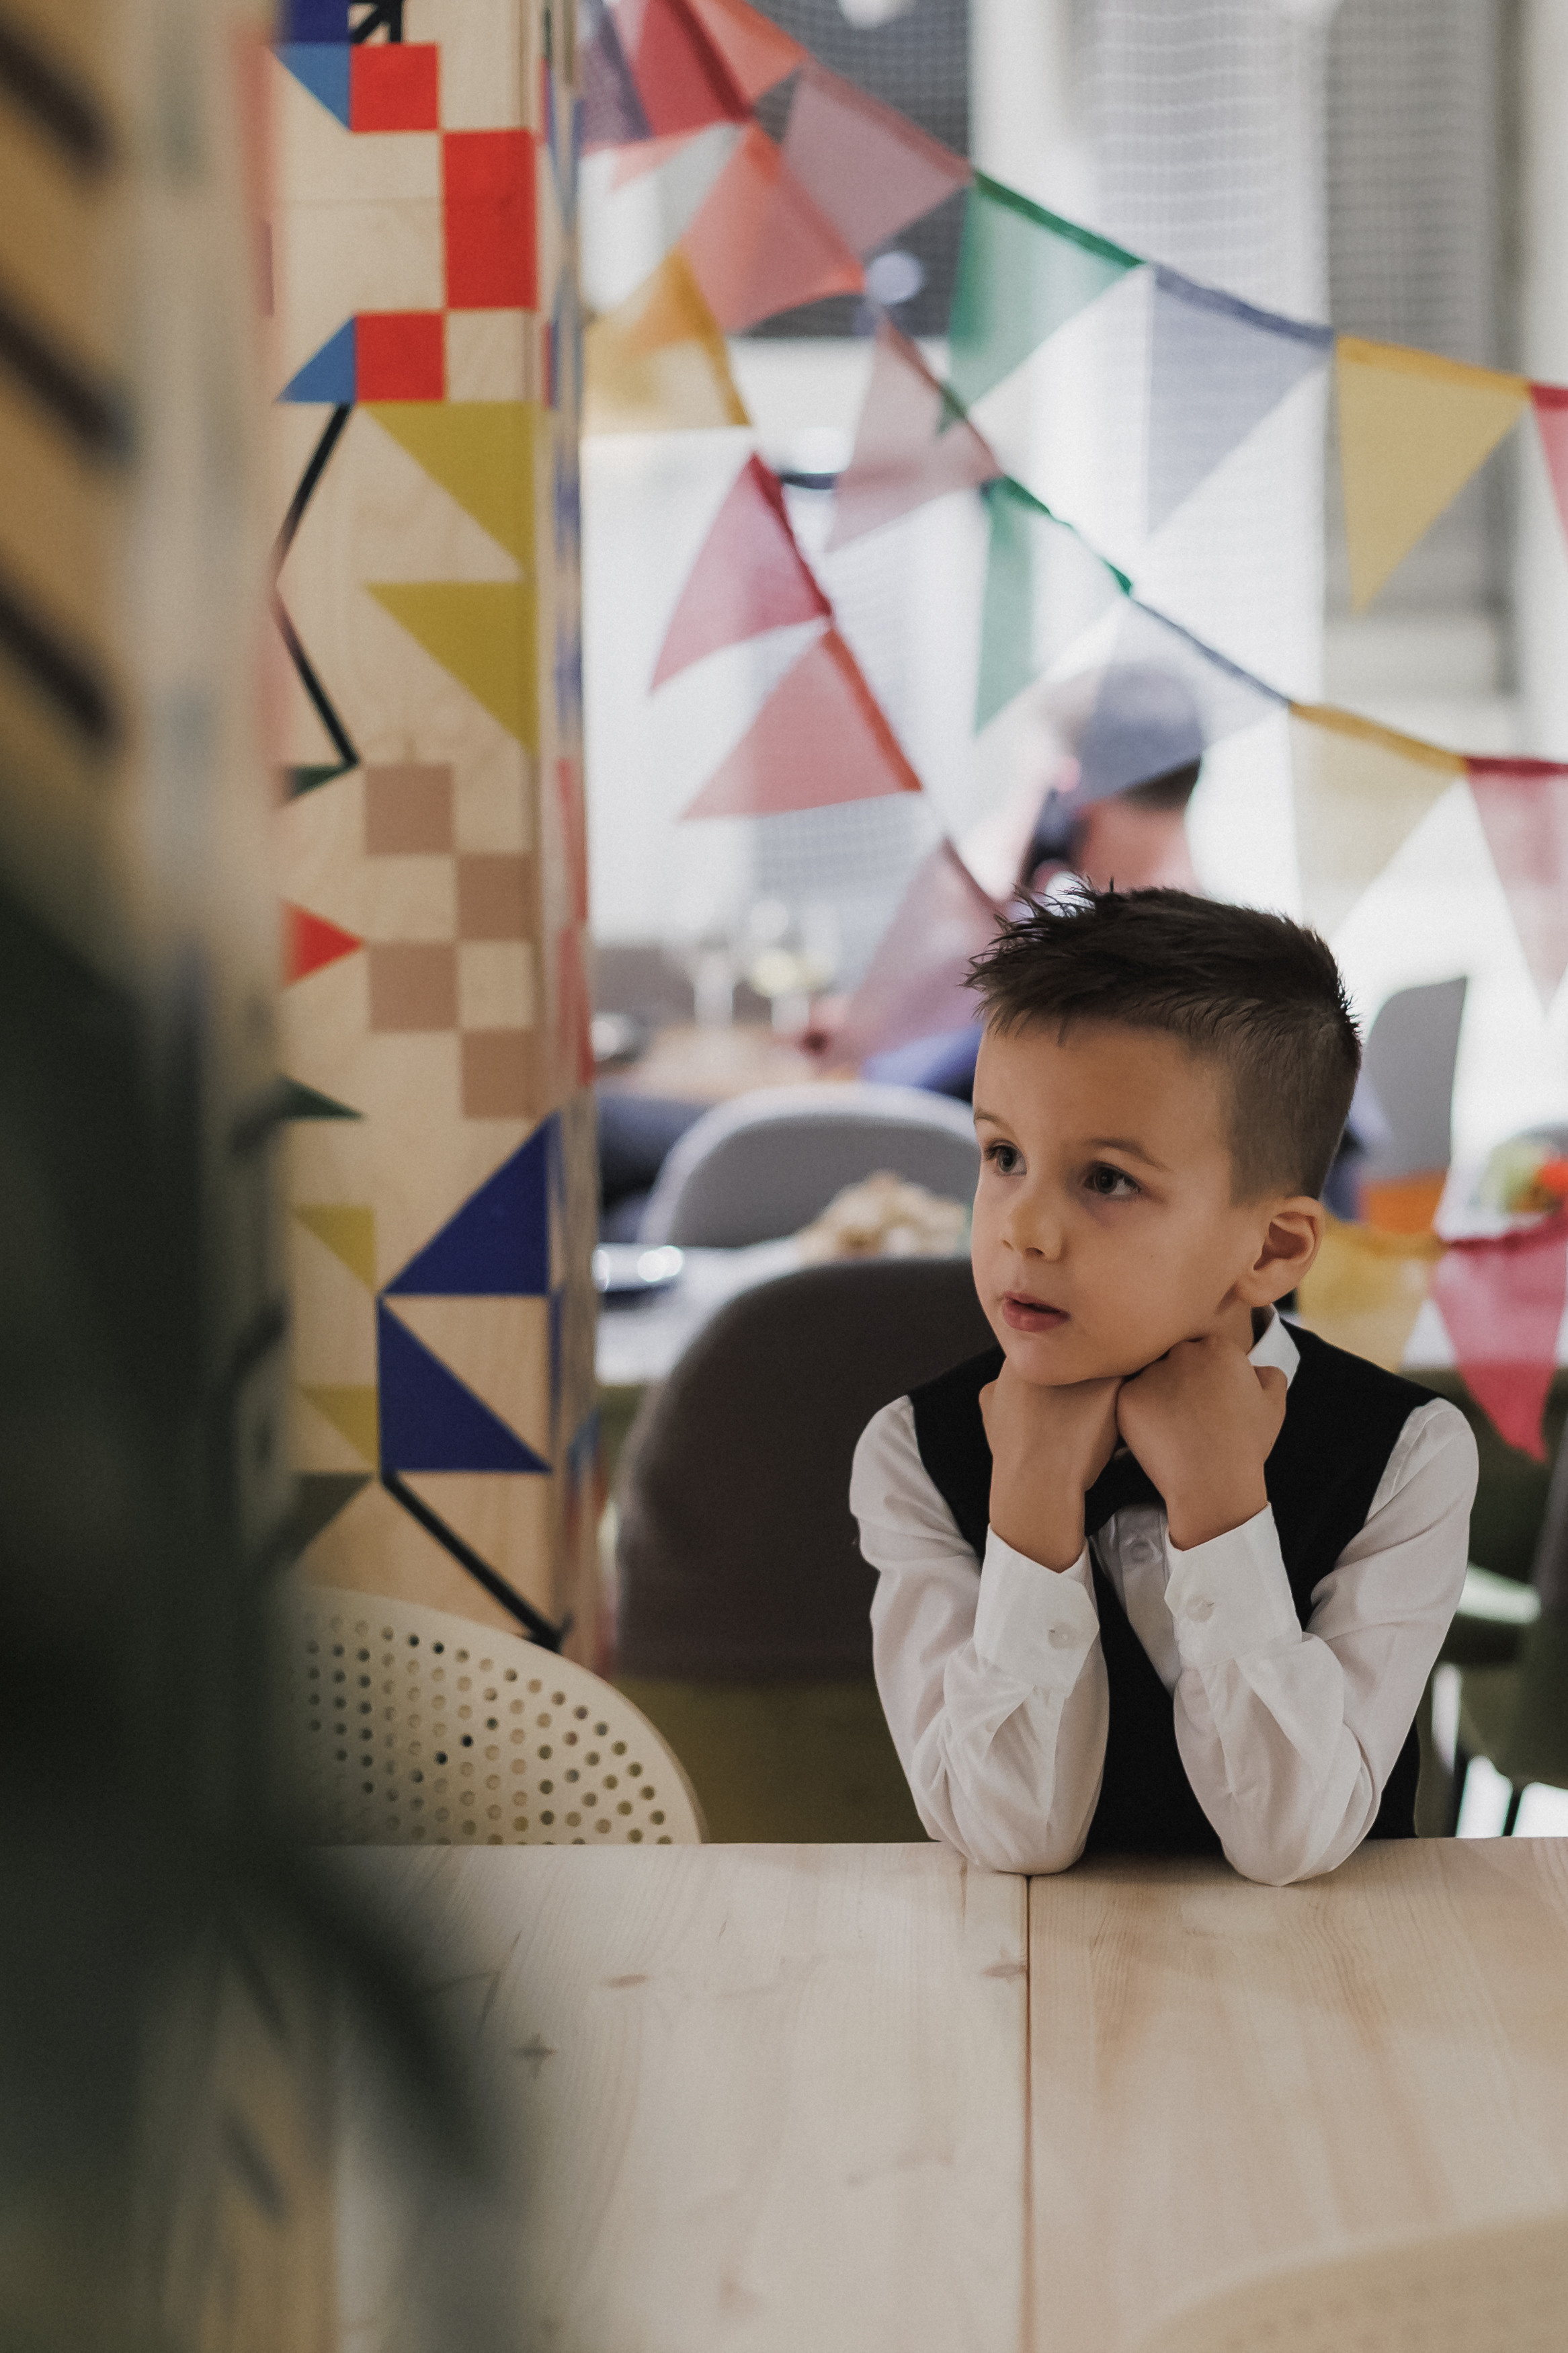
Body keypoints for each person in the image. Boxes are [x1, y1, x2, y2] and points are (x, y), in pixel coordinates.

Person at [849, 888, 1477, 1882]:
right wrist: (1029, 1505)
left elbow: (1291, 1842)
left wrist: (1221, 1508)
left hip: (1340, 1997)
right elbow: (1011, 1836)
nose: (1022, 1228)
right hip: (1014, 1996)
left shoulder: (1407, 1454)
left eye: (1104, 1179)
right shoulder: (910, 1452)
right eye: (1003, 1156)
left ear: (1272, 1248)